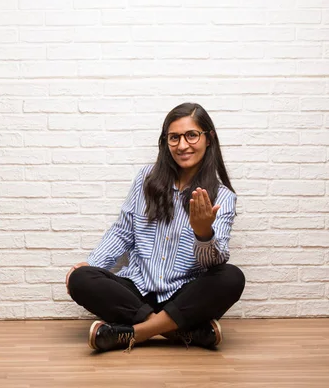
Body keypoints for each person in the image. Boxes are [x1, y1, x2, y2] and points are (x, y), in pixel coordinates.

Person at [66, 102, 246, 353]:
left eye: (192, 135)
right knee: (80, 278)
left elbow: (213, 266)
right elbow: (122, 231)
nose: (183, 145)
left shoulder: (223, 197)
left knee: (231, 277)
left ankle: (132, 334)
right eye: (174, 137)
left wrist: (203, 233)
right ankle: (182, 332)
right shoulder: (146, 179)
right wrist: (93, 264)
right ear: (165, 142)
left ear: (209, 138)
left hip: (183, 296)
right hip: (137, 292)